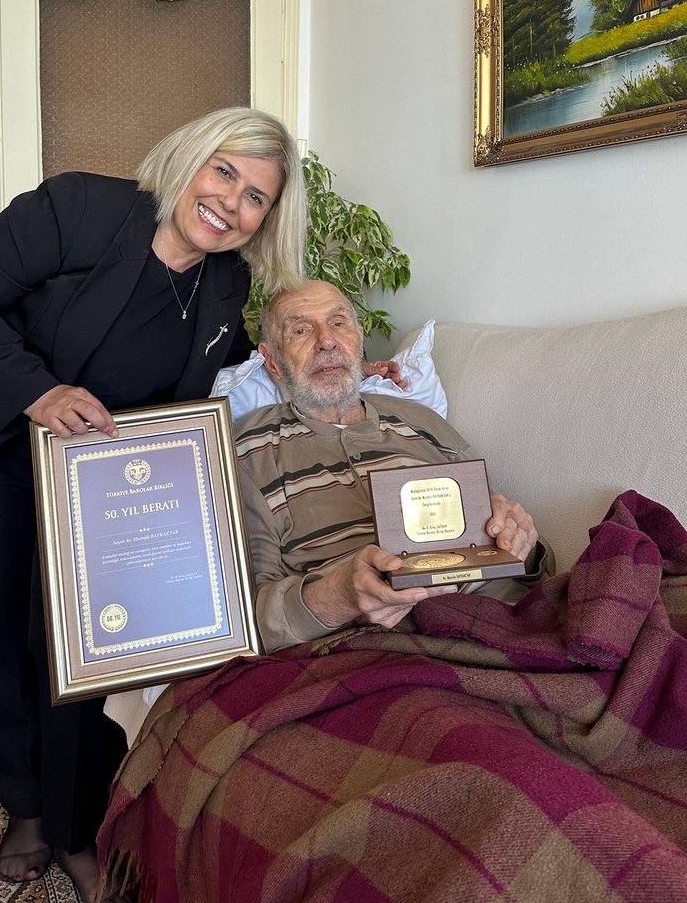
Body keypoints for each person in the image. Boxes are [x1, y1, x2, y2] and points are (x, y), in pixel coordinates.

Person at [0, 107, 306, 903]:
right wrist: (38, 391)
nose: (230, 202)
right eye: (224, 173)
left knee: (79, 651)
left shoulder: (227, 281)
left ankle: (75, 830)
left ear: (266, 221)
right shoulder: (79, 208)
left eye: (255, 198)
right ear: (190, 158)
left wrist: (299, 357)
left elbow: (214, 363)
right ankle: (25, 815)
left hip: (87, 478)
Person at [233, 280, 552, 654]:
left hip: (500, 622)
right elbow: (249, 622)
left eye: (338, 323)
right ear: (272, 361)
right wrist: (341, 595)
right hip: (373, 649)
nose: (327, 341)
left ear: (358, 338)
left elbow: (532, 567)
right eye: (301, 330)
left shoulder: (419, 420)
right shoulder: (246, 449)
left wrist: (521, 542)